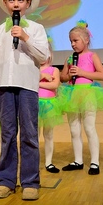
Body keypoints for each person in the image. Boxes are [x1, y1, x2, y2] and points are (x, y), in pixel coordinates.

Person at [0, 0, 49, 201]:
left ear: (28, 4)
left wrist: (25, 36)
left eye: (21, 0)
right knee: (8, 134)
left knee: (30, 134)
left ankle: (30, 181)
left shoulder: (36, 28)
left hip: (27, 86)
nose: (16, 4)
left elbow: (44, 56)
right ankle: (6, 181)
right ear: (5, 2)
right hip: (4, 86)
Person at [58, 21, 103, 176]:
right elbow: (62, 76)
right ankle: (78, 160)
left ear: (86, 40)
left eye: (76, 41)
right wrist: (69, 75)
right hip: (71, 94)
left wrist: (81, 72)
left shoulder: (92, 56)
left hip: (87, 93)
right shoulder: (70, 58)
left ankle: (95, 162)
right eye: (71, 41)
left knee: (89, 127)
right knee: (74, 129)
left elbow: (102, 75)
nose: (73, 44)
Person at [38, 40, 63, 173]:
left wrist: (38, 83)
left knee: (48, 134)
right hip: (35, 104)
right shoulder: (34, 70)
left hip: (49, 105)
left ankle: (49, 162)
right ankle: (33, 161)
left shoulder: (54, 70)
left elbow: (54, 85)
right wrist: (41, 77)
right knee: (33, 135)